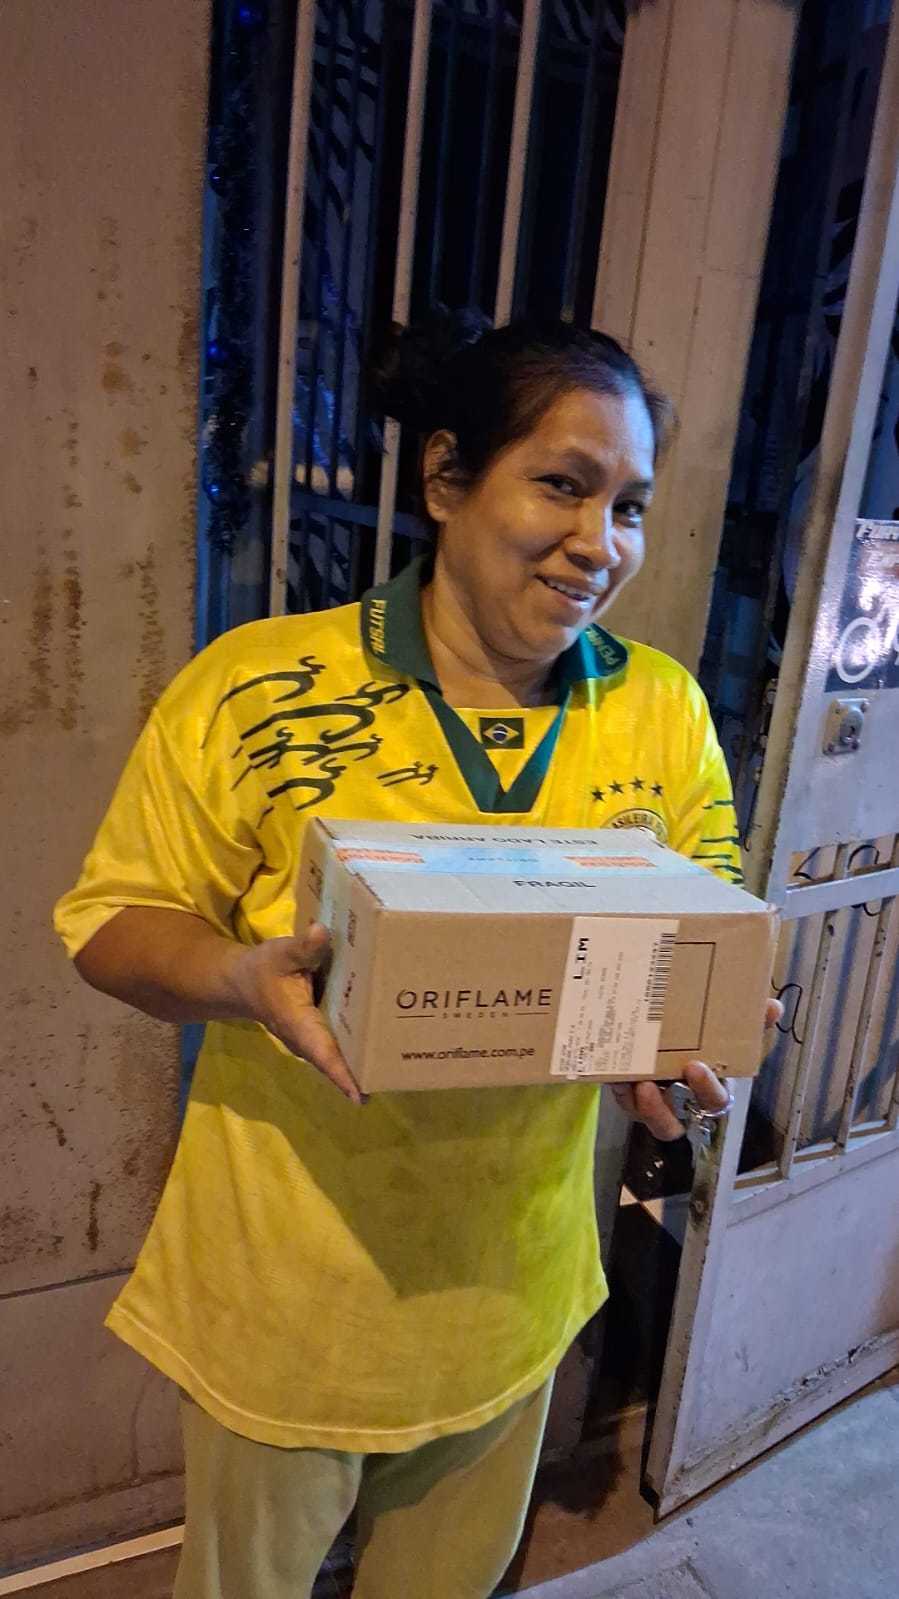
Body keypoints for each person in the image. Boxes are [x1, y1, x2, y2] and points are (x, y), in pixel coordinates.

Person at [55, 313, 775, 1599]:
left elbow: (694, 925)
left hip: (510, 1291)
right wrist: (239, 981)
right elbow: (113, 922)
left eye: (627, 505)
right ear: (446, 478)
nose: (598, 542)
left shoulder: (657, 708)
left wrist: (674, 1041)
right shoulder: (259, 686)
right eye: (561, 484)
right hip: (290, 1296)